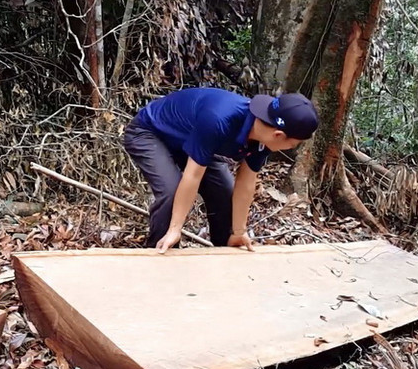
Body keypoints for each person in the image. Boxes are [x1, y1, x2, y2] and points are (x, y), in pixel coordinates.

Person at [122, 87, 319, 253]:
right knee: (171, 191)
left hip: (193, 142)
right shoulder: (220, 120)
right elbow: (192, 176)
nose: (292, 148)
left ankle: (224, 250)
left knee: (225, 191)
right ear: (278, 135)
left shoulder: (262, 137)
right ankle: (161, 254)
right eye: (293, 144)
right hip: (150, 133)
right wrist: (175, 228)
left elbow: (246, 183)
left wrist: (239, 232)